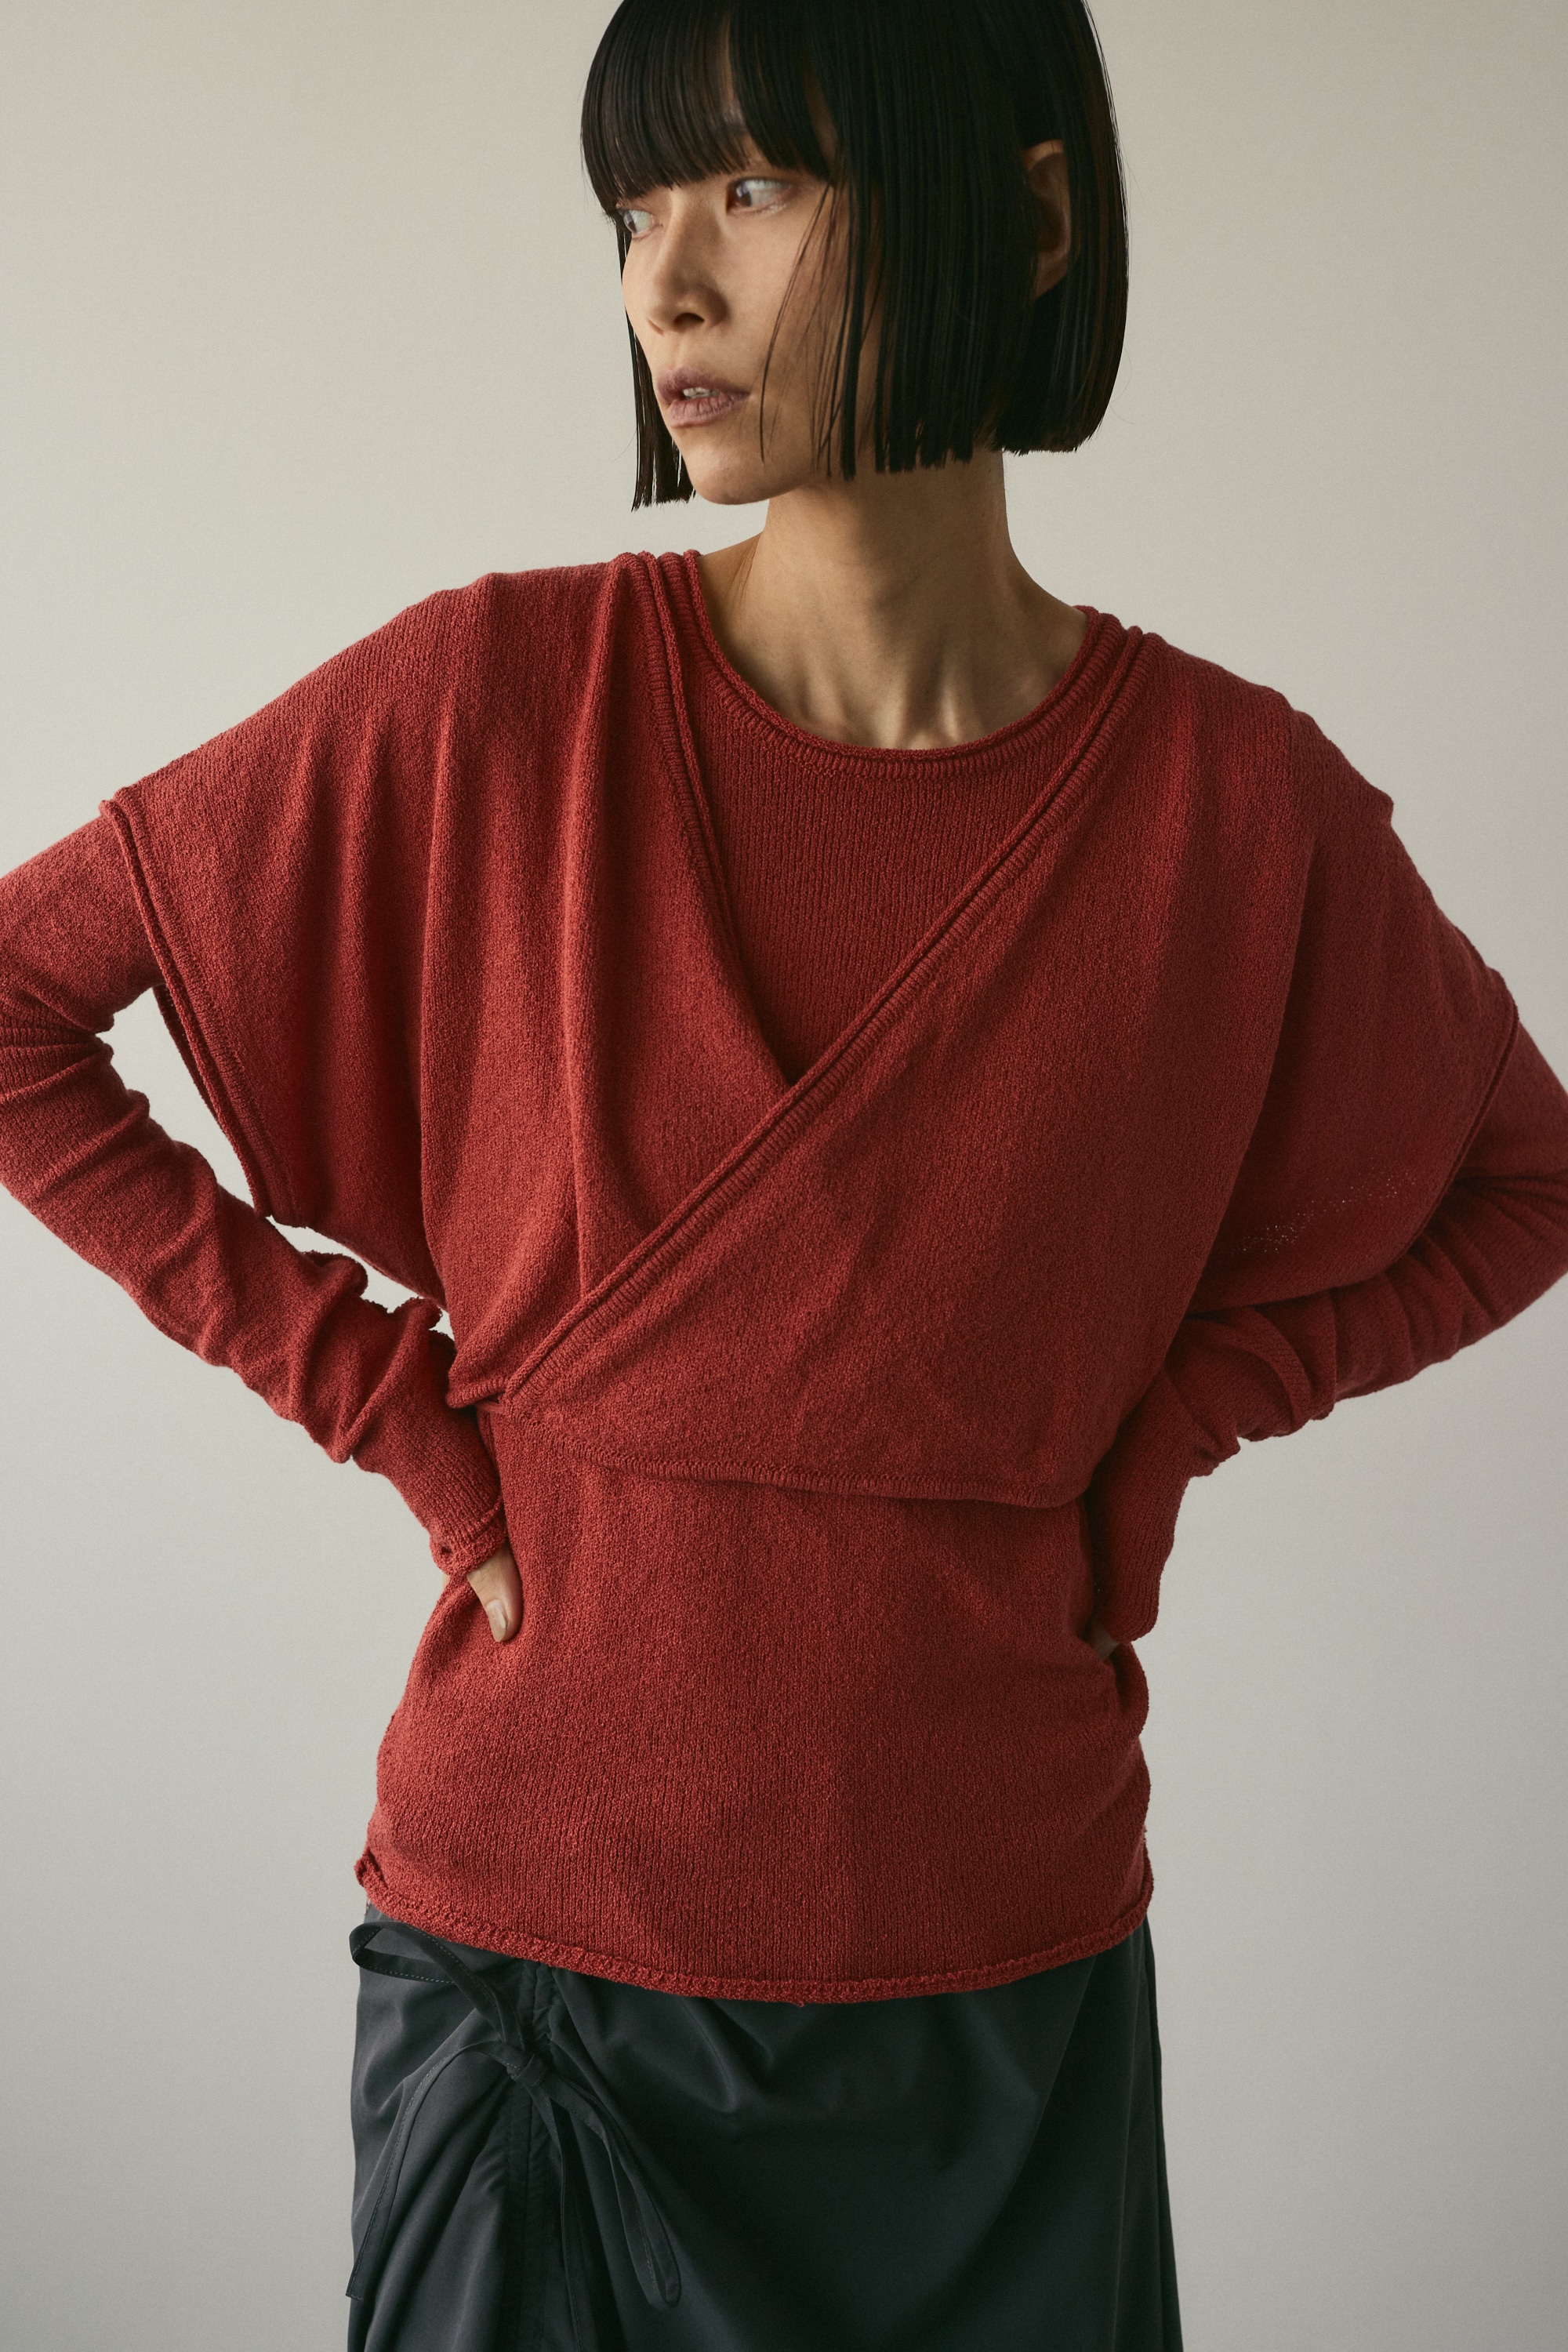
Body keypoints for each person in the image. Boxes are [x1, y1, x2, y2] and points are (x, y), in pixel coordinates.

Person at [2, 0, 1566, 2345]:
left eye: (751, 188)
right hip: (545, 1991)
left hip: (1002, 1993)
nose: (666, 284)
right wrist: (390, 1406)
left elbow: (1524, 1181)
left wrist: (1173, 1427)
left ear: (1029, 220)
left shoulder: (1239, 813)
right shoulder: (491, 702)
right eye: (634, 209)